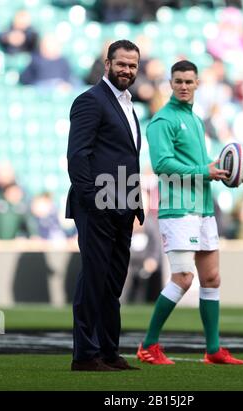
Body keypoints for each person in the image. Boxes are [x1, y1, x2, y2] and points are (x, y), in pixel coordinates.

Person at [137, 60, 243, 365]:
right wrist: (204, 170)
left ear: (197, 83)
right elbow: (161, 165)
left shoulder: (196, 120)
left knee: (211, 278)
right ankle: (148, 345)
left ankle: (212, 350)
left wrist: (224, 172)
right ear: (170, 84)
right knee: (184, 278)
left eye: (189, 81)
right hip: (178, 208)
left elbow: (202, 165)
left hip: (203, 208)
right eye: (178, 81)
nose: (184, 85)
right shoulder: (162, 120)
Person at [66, 39, 144, 372]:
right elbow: (77, 155)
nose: (127, 70)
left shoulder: (129, 105)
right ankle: (85, 355)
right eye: (122, 63)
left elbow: (127, 156)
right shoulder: (90, 101)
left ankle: (109, 351)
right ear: (107, 63)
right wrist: (91, 199)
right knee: (94, 279)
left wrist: (135, 201)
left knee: (112, 282)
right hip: (98, 203)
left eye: (133, 65)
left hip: (124, 203)